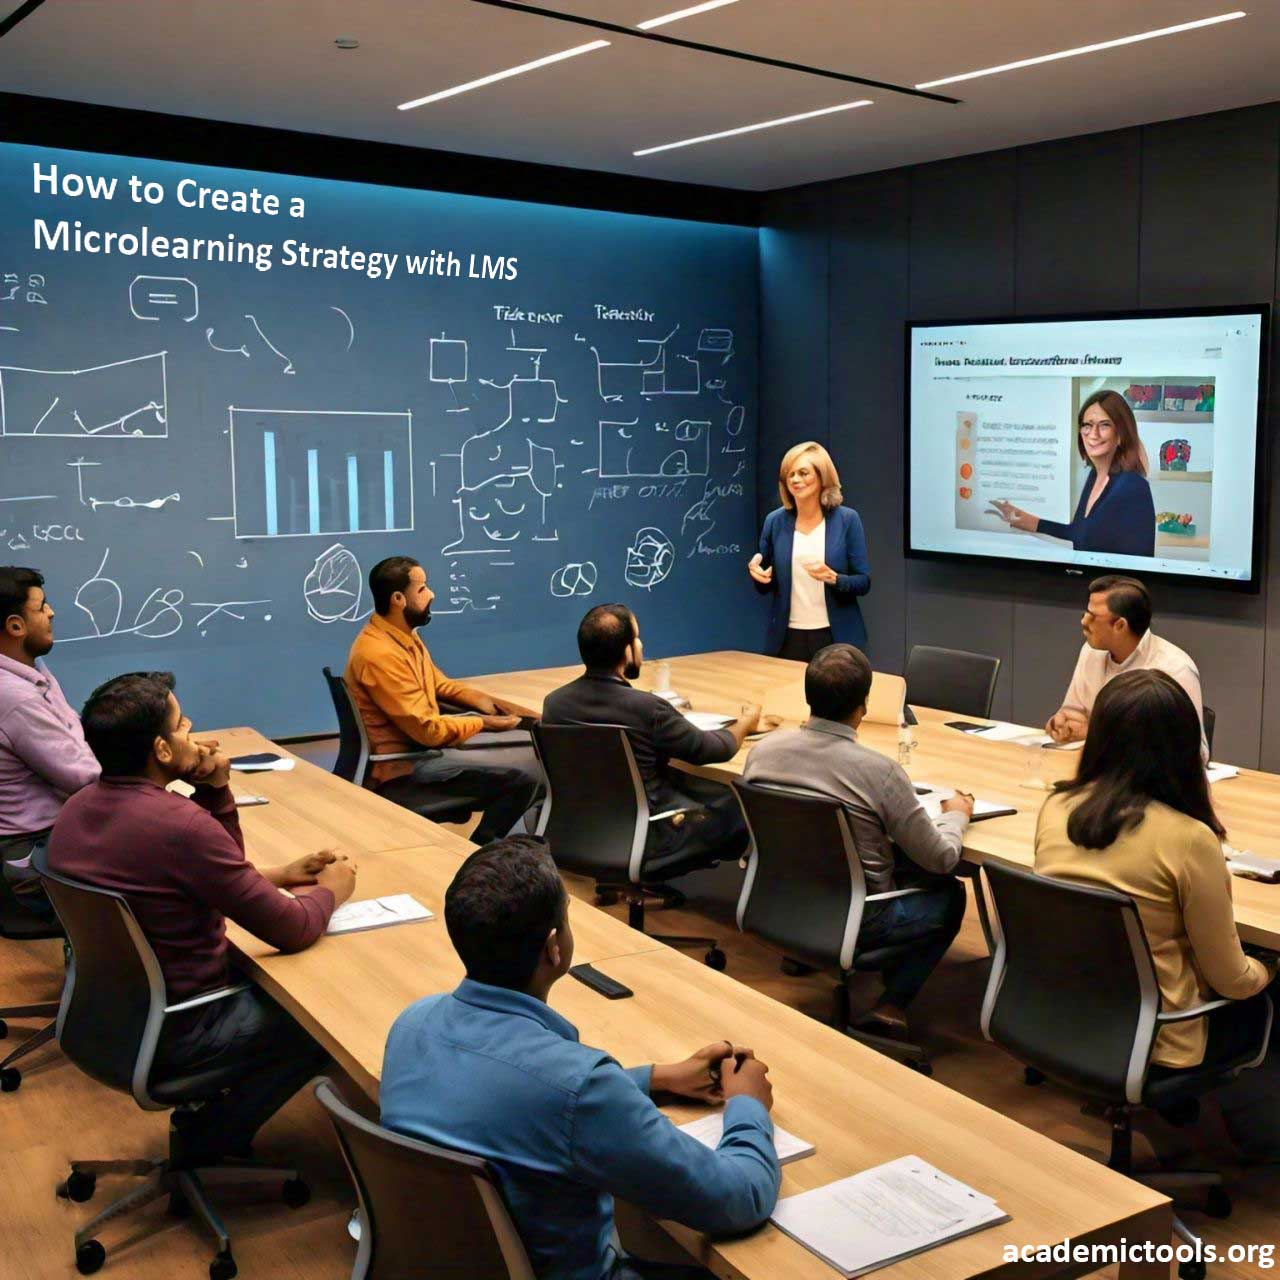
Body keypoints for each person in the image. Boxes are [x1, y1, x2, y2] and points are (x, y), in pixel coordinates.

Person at [381, 837, 780, 1280]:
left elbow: (523, 1097)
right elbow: (736, 1199)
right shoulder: (579, 1087)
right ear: (554, 947)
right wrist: (746, 1105)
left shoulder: (411, 1024)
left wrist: (656, 1079)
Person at [48, 671, 356, 1164]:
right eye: (182, 723)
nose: (193, 731)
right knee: (322, 1017)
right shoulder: (179, 826)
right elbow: (291, 929)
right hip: (184, 1026)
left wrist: (218, 795)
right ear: (162, 750)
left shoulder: (79, 807)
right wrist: (333, 892)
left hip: (104, 1017)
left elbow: (220, 873)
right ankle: (211, 1138)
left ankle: (211, 1127)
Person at [1035, 669, 1274, 1072]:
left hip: (1067, 1011)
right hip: (1160, 1037)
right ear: (1184, 749)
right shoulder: (1190, 838)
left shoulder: (1055, 809)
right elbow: (1230, 979)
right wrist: (1268, 967)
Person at [742, 643, 971, 1035]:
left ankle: (805, 951)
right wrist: (956, 816)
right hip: (857, 916)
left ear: (807, 696)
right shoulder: (879, 772)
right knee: (948, 895)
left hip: (782, 898)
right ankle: (891, 1004)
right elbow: (942, 859)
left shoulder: (763, 753)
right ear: (863, 705)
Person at [344, 555, 544, 845]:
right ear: (399, 599)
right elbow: (427, 731)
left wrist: (481, 700)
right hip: (402, 772)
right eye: (422, 589)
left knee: (516, 762)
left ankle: (484, 849)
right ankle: (482, 851)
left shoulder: (399, 637)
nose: (432, 594)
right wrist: (484, 723)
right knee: (527, 777)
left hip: (416, 756)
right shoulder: (379, 654)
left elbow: (438, 683)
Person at [543, 604, 757, 868]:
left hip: (581, 826)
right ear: (626, 651)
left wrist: (670, 716)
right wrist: (747, 721)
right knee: (743, 806)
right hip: (651, 833)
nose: (642, 645)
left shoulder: (555, 704)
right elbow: (713, 750)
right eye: (637, 638)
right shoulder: (647, 709)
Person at [0, 566, 99, 914]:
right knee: (163, 880)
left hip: (51, 839)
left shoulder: (29, 671)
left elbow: (75, 737)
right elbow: (84, 778)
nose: (52, 613)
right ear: (15, 626)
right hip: (29, 859)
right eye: (41, 607)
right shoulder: (14, 697)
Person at [1044, 575, 1207, 759]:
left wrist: (1096, 735)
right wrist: (1064, 723)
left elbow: (1196, 754)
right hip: (1098, 771)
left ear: (1120, 625)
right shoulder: (1091, 652)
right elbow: (1074, 713)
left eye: (1093, 617)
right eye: (1085, 613)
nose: (1084, 622)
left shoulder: (1174, 669)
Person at [989, 390, 1155, 557]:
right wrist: (1022, 518)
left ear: (1121, 435)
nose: (1093, 434)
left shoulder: (1133, 486)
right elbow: (1079, 533)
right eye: (1087, 425)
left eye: (1104, 425)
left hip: (1107, 583)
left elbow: (1140, 564)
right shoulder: (1094, 476)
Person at [747, 442, 871, 661]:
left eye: (803, 473)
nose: (795, 480)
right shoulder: (775, 522)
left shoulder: (847, 520)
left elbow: (863, 582)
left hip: (835, 638)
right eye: (790, 474)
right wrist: (758, 575)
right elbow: (766, 582)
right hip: (787, 637)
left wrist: (834, 578)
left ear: (822, 476)